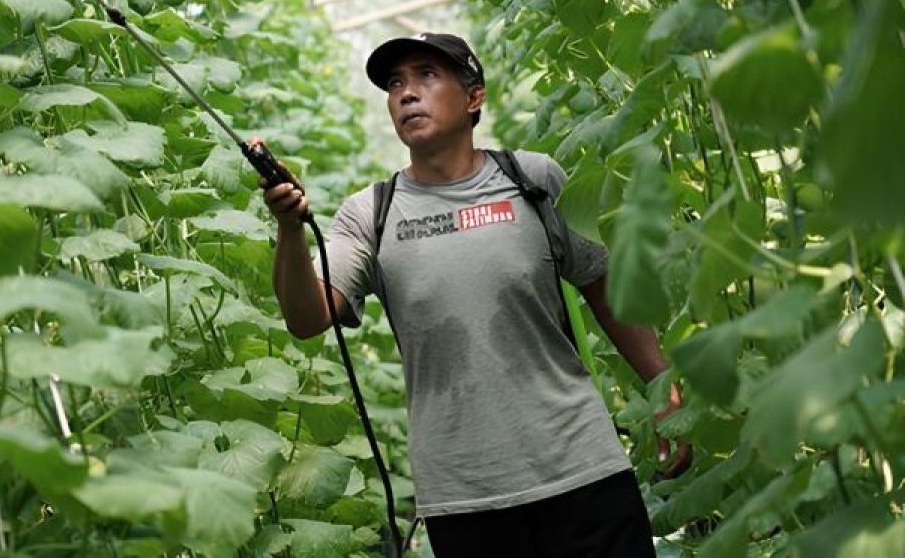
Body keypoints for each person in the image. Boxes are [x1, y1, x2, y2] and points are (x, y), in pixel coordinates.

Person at [256, 33, 690, 557]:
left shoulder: (533, 179)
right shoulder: (370, 213)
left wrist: (664, 393)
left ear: (474, 97)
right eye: (395, 84)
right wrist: (289, 230)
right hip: (463, 497)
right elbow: (308, 317)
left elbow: (604, 286)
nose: (406, 94)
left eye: (426, 76)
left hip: (581, 470)